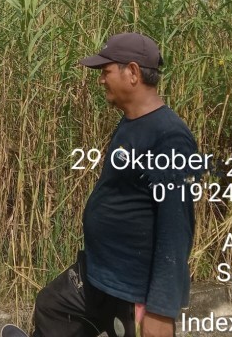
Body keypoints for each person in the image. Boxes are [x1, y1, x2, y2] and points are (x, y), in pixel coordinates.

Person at [32, 33, 198, 337]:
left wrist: (161, 310)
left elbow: (177, 228)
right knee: (51, 307)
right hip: (99, 271)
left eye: (106, 71)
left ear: (132, 72)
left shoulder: (170, 139)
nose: (101, 80)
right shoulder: (131, 122)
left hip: (132, 288)